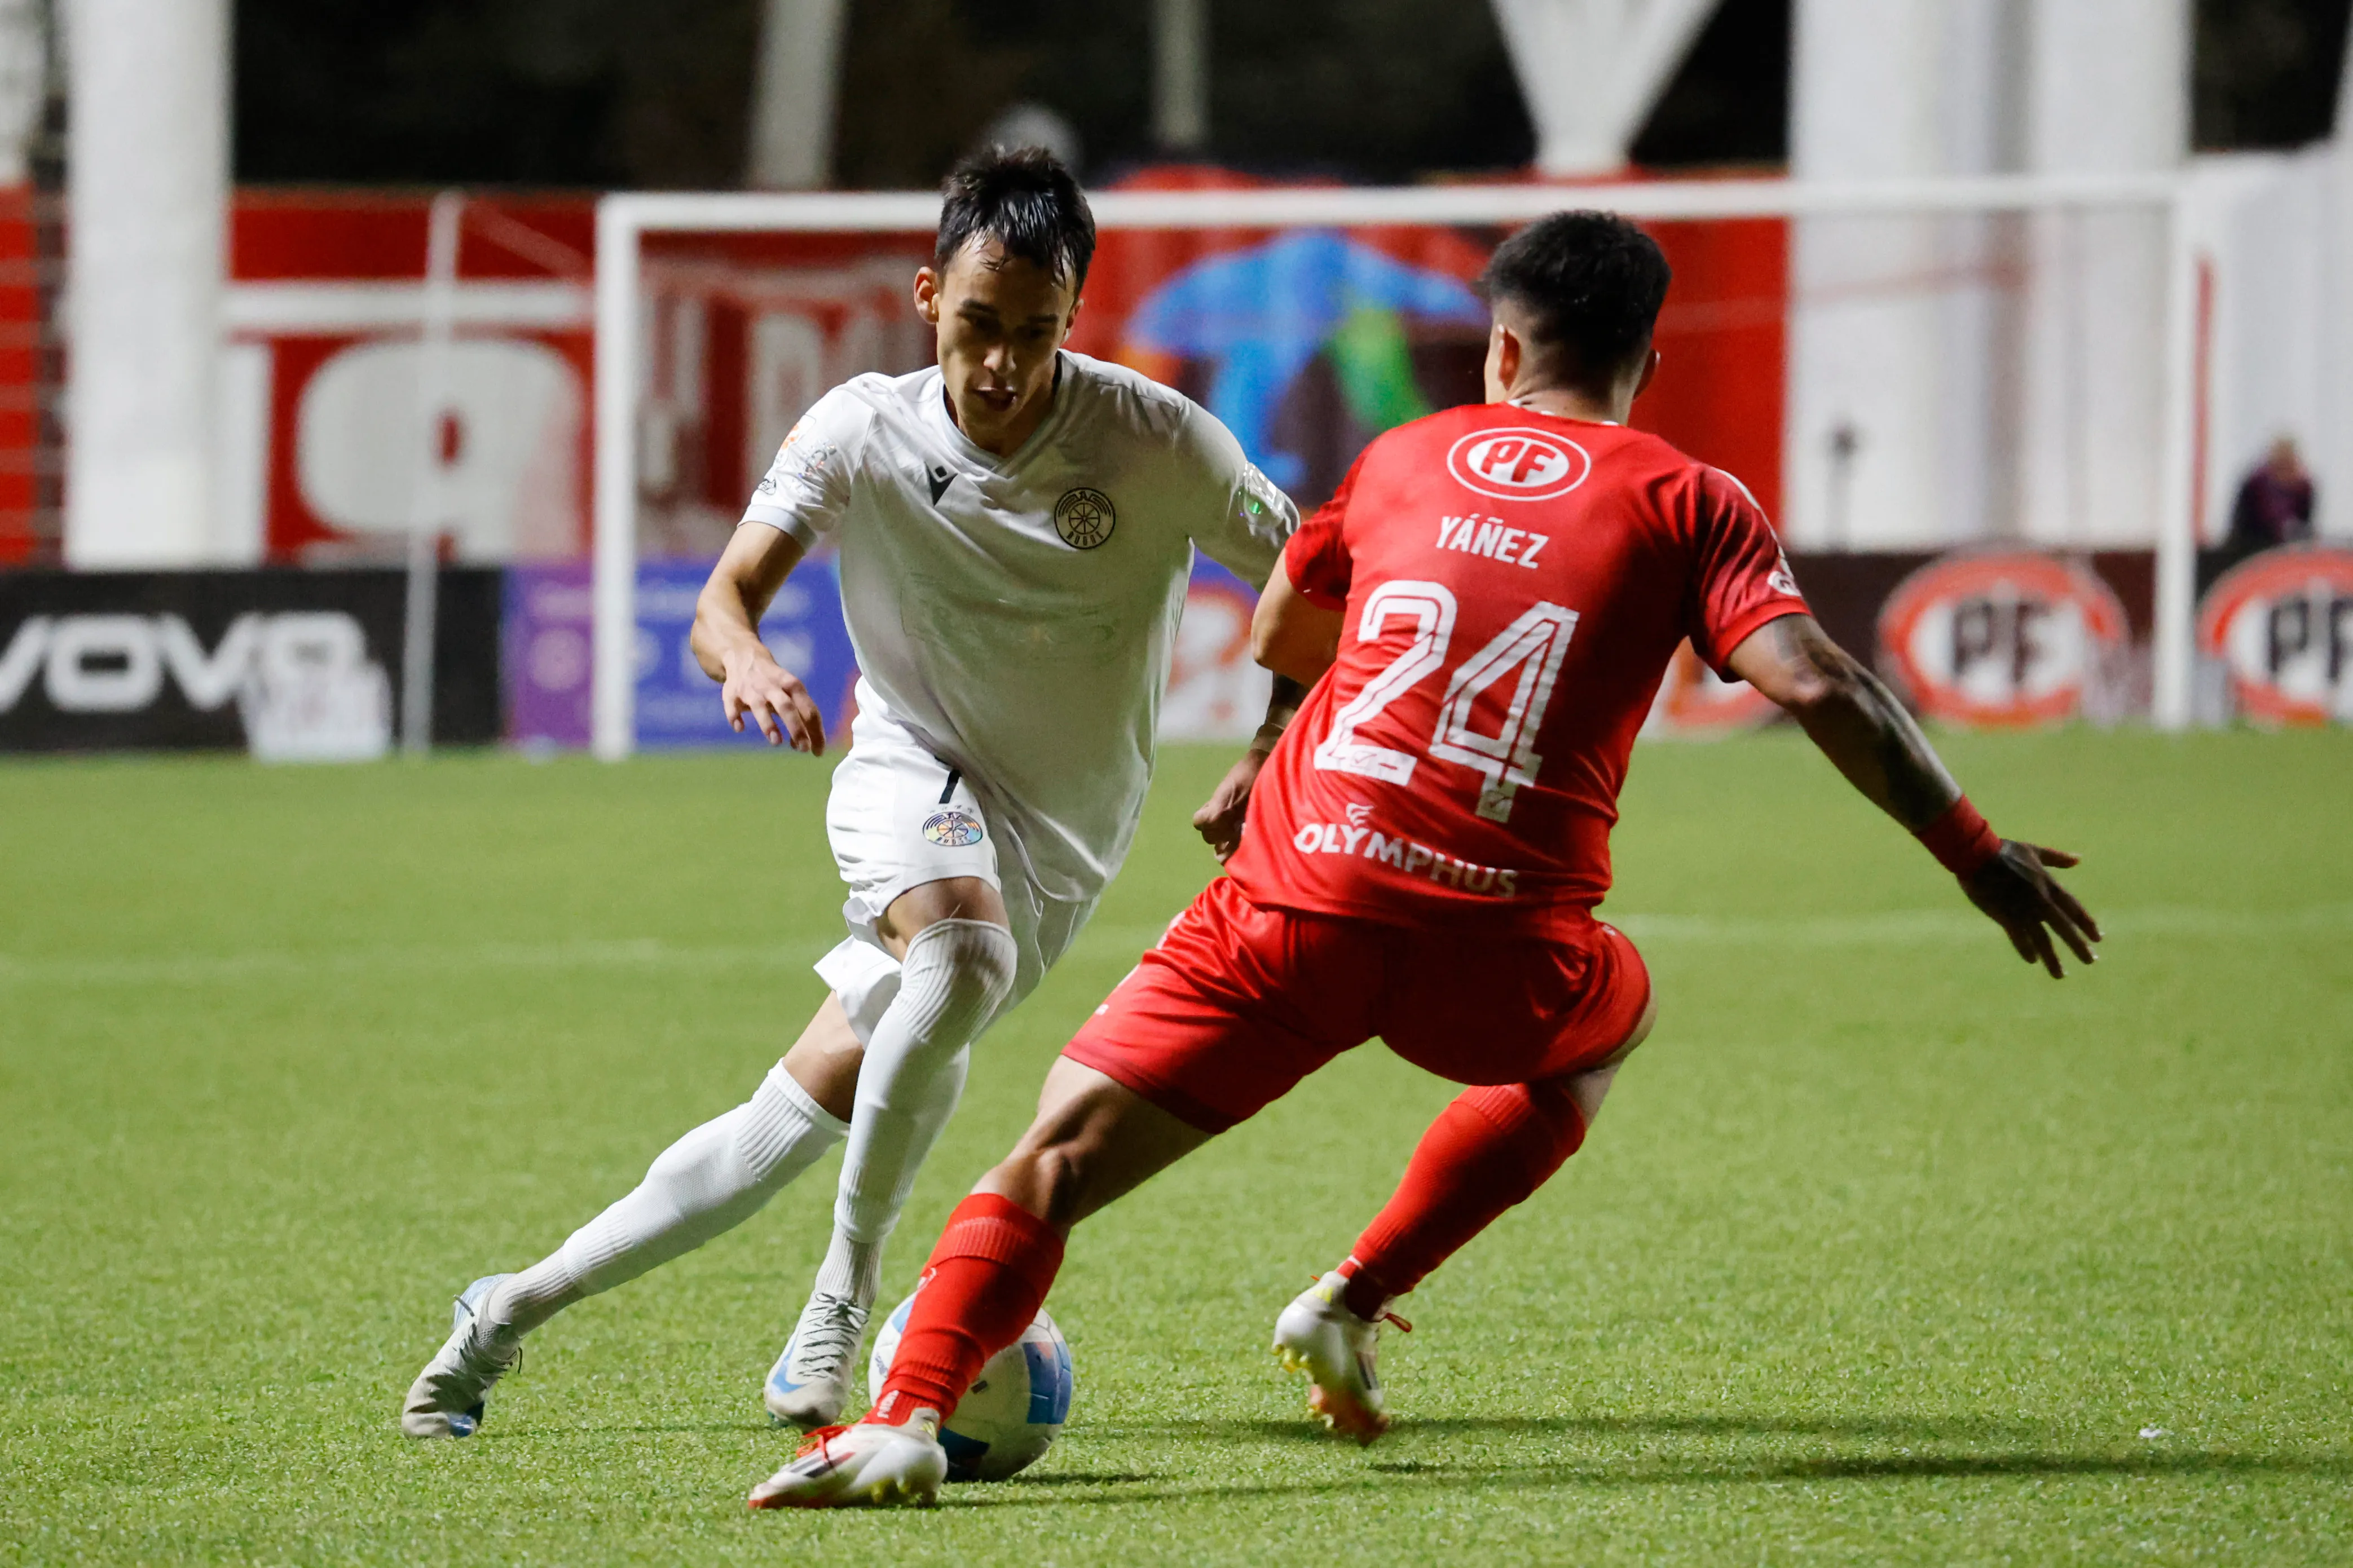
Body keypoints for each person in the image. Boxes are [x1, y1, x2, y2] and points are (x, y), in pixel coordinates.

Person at [745, 209, 2103, 1509]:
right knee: (1606, 1022)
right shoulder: (1693, 499)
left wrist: (1276, 746)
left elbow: (1287, 613)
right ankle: (1348, 1297)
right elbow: (1815, 685)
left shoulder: (1404, 457)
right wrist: (1974, 853)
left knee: (1052, 1158)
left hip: (1295, 905)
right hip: (1497, 948)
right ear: (1645, 363)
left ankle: (903, 1418)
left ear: (1502, 350)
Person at [401, 147, 1301, 1439]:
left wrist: (1274, 740)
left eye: (1033, 335)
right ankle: (840, 1304)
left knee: (802, 1103)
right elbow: (721, 601)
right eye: (978, 325)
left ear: (1073, 319)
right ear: (929, 292)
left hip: (1066, 833)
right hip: (909, 767)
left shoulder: (1156, 441)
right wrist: (751, 657)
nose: (999, 365)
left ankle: (506, 1307)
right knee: (962, 947)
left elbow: (1318, 572)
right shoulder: (858, 426)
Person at [2227, 436, 2315, 553]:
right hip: (2253, 545)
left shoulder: (2304, 488)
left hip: (2287, 549)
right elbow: (2243, 521)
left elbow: (2305, 521)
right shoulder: (2256, 484)